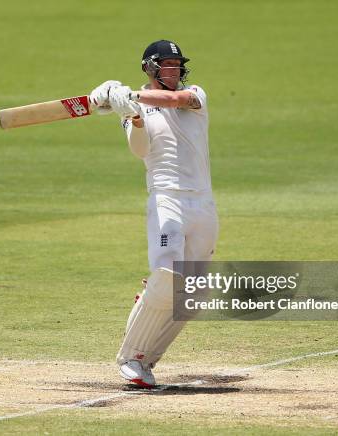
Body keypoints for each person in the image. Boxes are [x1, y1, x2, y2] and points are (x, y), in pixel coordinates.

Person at [89, 40, 219, 387]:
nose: (175, 71)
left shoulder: (195, 95)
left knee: (193, 293)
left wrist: (125, 94)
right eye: (167, 64)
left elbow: (175, 101)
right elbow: (140, 149)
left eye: (178, 64)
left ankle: (148, 359)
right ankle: (130, 357)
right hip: (166, 199)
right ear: (150, 67)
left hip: (203, 202)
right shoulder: (135, 110)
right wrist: (131, 114)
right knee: (167, 275)